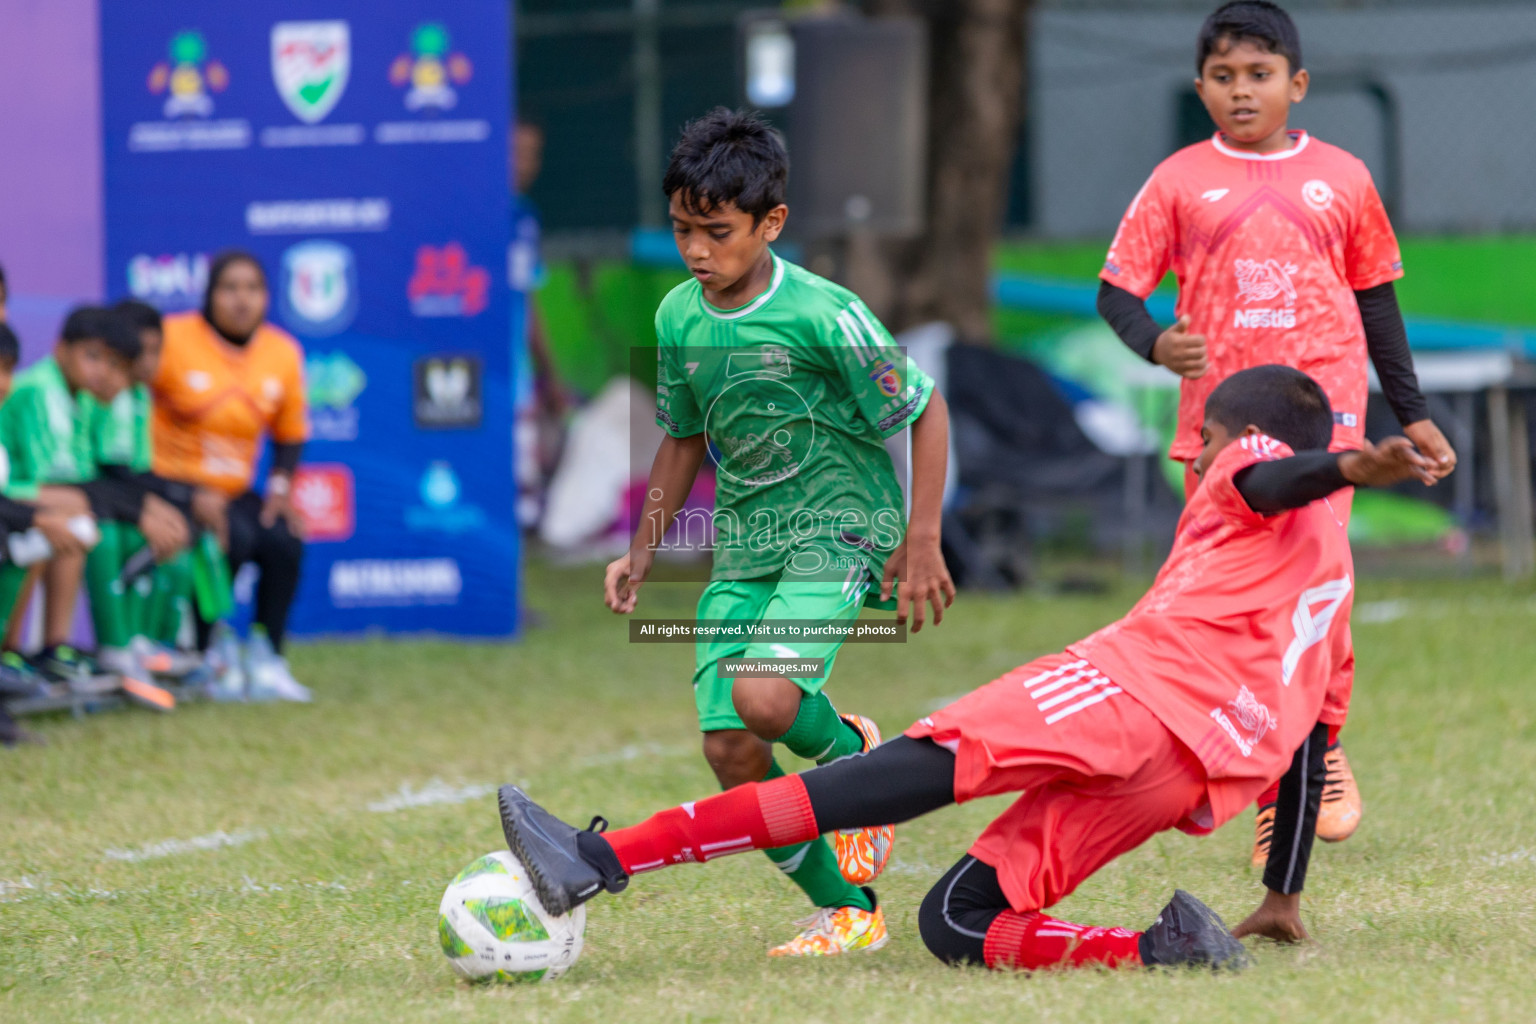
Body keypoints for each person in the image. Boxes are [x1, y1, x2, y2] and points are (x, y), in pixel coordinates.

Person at [499, 365, 1438, 971]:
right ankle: (1157, 950)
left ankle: (595, 859)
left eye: (1209, 441)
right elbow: (1314, 740)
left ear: (1240, 440)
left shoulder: (1252, 477)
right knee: (957, 919)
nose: (1197, 456)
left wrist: (1350, 469)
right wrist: (1283, 892)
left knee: (879, 782)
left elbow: (1273, 477)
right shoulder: (1337, 585)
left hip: (1126, 693)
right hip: (1187, 774)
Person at [1094, 0, 1456, 865]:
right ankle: (1266, 764)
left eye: (1259, 76)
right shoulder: (1178, 179)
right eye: (1223, 77)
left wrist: (1411, 412)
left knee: (1317, 594)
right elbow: (1116, 291)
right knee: (1237, 609)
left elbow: (1377, 300)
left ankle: (1315, 758)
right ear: (1201, 88)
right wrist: (1154, 341)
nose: (1241, 92)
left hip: (1327, 422)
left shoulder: (1346, 177)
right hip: (1219, 438)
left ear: (1296, 85)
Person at [601, 108, 954, 957]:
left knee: (765, 698)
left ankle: (850, 758)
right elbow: (684, 437)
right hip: (746, 545)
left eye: (716, 233)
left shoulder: (824, 313)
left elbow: (924, 406)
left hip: (840, 534)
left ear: (771, 224)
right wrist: (644, 546)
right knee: (729, 745)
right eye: (683, 230)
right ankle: (848, 907)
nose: (696, 251)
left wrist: (923, 535)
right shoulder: (678, 318)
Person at [151, 251, 311, 702]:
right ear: (209, 294)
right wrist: (173, 491)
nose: (242, 300)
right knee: (231, 539)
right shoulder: (174, 338)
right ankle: (206, 654)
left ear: (266, 297)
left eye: (253, 289)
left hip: (234, 489)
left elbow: (291, 433)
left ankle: (267, 655)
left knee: (283, 537)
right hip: (173, 485)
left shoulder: (282, 351)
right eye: (230, 288)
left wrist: (279, 489)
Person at [0, 306, 143, 681]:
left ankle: (53, 647)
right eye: (93, 357)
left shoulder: (81, 394)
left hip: (21, 494)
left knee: (73, 520)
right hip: (13, 492)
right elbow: (58, 481)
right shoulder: (39, 390)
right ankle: (8, 650)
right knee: (59, 521)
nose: (102, 372)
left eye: (112, 363)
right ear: (61, 349)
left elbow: (88, 478)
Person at [81, 300, 198, 680]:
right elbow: (104, 469)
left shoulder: (139, 398)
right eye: (140, 351)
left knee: (178, 539)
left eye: (156, 351)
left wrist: (164, 508)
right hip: (86, 502)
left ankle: (146, 644)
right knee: (121, 535)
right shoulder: (100, 395)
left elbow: (139, 472)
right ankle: (117, 648)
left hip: (103, 499)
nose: (147, 362)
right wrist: (148, 511)